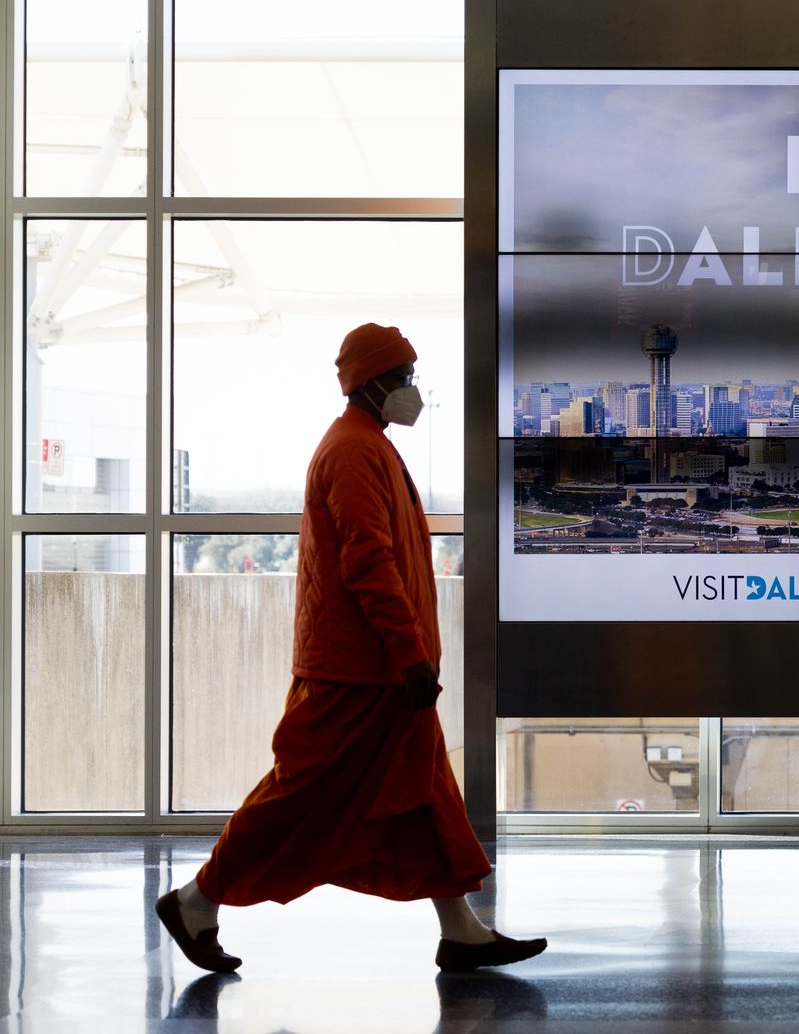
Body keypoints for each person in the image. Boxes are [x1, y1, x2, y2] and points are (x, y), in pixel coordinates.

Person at [155, 324, 546, 975]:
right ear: (370, 383)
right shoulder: (352, 452)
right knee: (297, 796)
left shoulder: (368, 446)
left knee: (426, 794)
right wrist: (408, 651)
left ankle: (462, 932)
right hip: (358, 671)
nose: (413, 391)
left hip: (379, 669)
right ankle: (195, 901)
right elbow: (370, 561)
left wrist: (411, 655)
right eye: (404, 378)